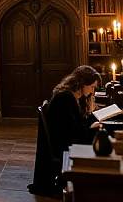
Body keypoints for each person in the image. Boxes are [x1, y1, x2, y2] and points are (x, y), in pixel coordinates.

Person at [28, 65, 101, 197]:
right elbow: (73, 133)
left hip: (65, 140)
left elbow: (75, 125)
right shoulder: (65, 98)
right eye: (92, 87)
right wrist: (91, 127)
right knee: (101, 138)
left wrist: (89, 115)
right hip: (63, 146)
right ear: (82, 83)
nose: (92, 91)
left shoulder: (71, 96)